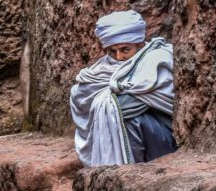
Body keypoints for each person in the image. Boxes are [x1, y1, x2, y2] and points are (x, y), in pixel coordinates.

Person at [69, 10, 177, 166]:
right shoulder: (101, 69)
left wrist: (107, 100)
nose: (119, 57)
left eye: (125, 49)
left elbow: (123, 105)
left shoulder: (157, 60)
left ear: (139, 44)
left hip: (162, 138)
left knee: (130, 118)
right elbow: (80, 95)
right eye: (112, 51)